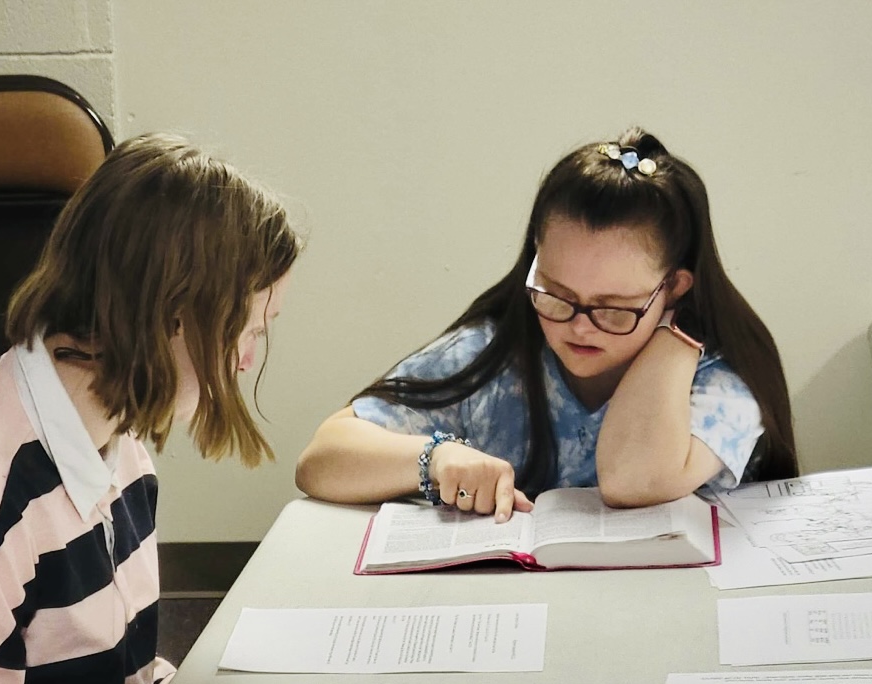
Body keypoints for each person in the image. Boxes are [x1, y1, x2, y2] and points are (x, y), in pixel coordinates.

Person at [0, 133, 302, 684]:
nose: (247, 359)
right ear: (171, 312)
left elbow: (115, 679)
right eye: (250, 328)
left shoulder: (120, 446)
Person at [296, 126, 797, 522]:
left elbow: (632, 479)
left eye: (614, 308)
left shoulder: (718, 378)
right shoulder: (498, 353)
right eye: (556, 294)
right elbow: (322, 458)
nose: (580, 326)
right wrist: (436, 458)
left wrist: (676, 336)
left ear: (675, 288)